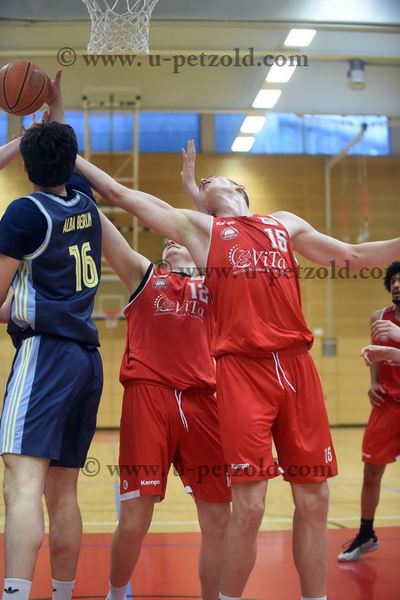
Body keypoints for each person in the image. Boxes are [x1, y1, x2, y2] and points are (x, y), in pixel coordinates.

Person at [75, 146, 400, 600]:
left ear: (241, 188)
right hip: (242, 373)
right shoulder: (203, 231)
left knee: (316, 498)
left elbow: (353, 253)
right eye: (201, 183)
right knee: (249, 506)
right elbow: (118, 194)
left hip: (296, 366)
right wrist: (67, 152)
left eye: (215, 177)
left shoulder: (283, 223)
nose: (206, 180)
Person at [0, 74, 103, 600]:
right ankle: (63, 594)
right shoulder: (84, 203)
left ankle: (15, 594)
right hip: (87, 359)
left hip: (44, 356)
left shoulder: (24, 213)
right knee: (63, 491)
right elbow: (62, 153)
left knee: (21, 483)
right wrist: (56, 111)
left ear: (25, 165)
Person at [98, 228, 231, 600]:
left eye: (180, 236)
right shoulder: (145, 276)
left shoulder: (219, 285)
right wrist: (79, 193)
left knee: (219, 519)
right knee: (135, 519)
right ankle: (115, 594)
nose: (172, 240)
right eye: (167, 240)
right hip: (148, 396)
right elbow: (109, 237)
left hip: (202, 401)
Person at [338, 261, 400, 562]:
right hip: (387, 405)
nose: (397, 285)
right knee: (371, 471)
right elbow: (376, 353)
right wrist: (374, 382)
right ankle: (366, 534)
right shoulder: (378, 317)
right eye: (394, 280)